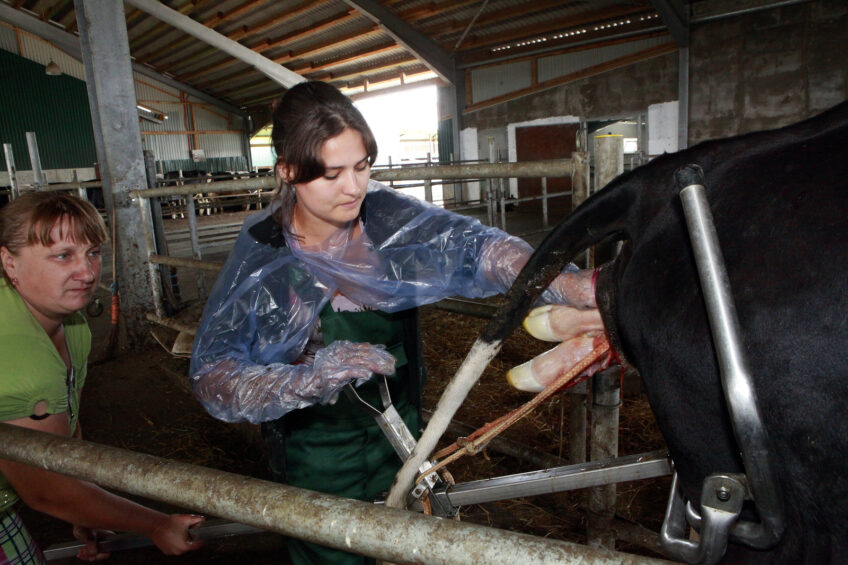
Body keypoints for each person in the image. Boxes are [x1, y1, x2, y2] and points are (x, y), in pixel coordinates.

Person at [190, 80, 602, 565]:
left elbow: (478, 248)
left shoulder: (386, 218)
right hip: (317, 454)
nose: (354, 187)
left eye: (362, 166)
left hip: (403, 434)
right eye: (331, 173)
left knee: (405, 545)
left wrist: (572, 286)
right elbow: (213, 373)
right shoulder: (268, 255)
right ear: (287, 171)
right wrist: (304, 379)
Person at [0, 192, 204, 564]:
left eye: (92, 252)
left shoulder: (74, 327)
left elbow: (64, 448)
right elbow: (47, 489)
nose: (88, 272)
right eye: (63, 255)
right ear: (8, 262)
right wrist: (155, 525)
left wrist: (84, 507)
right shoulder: (17, 353)